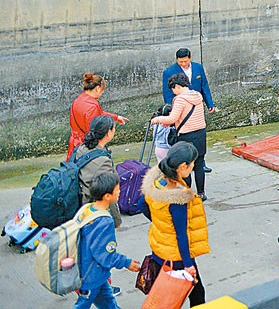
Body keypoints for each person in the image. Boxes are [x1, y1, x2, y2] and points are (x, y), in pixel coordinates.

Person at [141, 142, 210, 307]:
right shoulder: (178, 196)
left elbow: (141, 205)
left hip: (159, 249)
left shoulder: (157, 181)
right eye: (193, 163)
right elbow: (181, 233)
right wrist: (188, 264)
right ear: (183, 166)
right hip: (176, 256)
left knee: (164, 296)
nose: (194, 166)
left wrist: (161, 221)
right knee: (195, 295)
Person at [74, 172, 140, 309]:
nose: (120, 191)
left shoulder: (87, 209)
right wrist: (126, 262)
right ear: (107, 196)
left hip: (92, 271)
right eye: (117, 189)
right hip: (90, 276)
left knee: (108, 303)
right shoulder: (104, 221)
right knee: (82, 305)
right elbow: (105, 254)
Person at [152, 74, 209, 200]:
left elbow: (173, 118)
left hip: (186, 136)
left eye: (173, 88)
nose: (173, 92)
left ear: (177, 86)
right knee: (199, 164)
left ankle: (187, 193)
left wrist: (157, 119)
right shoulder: (197, 96)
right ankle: (201, 193)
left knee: (184, 165)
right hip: (200, 134)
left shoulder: (180, 99)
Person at [73, 115, 122, 227]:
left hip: (81, 203)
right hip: (94, 211)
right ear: (108, 133)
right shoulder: (103, 161)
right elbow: (109, 192)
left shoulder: (82, 148)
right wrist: (116, 221)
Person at [69, 73, 127, 160]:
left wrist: (115, 117)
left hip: (74, 143)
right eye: (102, 90)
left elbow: (98, 114)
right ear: (97, 88)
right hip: (86, 147)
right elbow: (94, 128)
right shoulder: (93, 105)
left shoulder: (78, 100)